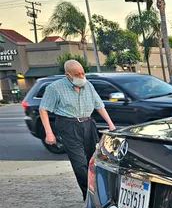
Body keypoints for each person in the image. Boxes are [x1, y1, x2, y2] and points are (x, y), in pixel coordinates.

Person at [39, 60, 115, 199]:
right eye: (77, 74)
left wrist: (110, 124)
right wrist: (49, 133)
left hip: (88, 124)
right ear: (68, 75)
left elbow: (99, 105)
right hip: (68, 126)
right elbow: (43, 109)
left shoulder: (88, 85)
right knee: (79, 163)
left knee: (94, 160)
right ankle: (90, 197)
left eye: (82, 73)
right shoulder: (55, 88)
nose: (81, 76)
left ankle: (101, 193)